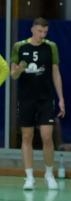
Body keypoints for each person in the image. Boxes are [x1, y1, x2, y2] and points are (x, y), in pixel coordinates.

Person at [10, 17, 65, 191]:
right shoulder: (20, 47)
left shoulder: (51, 47)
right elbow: (13, 75)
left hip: (46, 98)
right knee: (27, 137)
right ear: (33, 29)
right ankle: (29, 176)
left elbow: (56, 73)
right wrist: (19, 69)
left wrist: (61, 98)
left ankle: (49, 174)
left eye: (45, 32)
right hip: (26, 98)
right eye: (40, 31)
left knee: (47, 137)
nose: (42, 35)